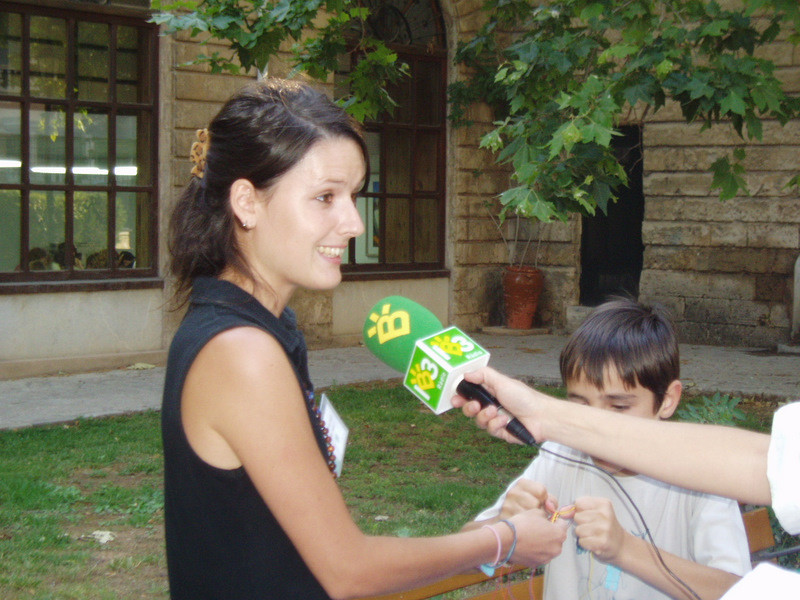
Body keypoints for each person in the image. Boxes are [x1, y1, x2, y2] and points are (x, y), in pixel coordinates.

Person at [161, 77, 567, 600]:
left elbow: (291, 554)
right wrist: (503, 539)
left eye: (353, 196)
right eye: (325, 197)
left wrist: (477, 539)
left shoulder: (255, 327)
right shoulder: (243, 353)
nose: (352, 222)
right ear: (247, 202)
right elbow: (349, 571)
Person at [451, 332, 800, 599]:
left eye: (618, 408)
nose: (596, 427)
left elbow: (734, 590)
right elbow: (467, 548)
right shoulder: (562, 459)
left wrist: (626, 550)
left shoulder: (704, 482)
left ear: (667, 400)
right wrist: (503, 526)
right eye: (579, 406)